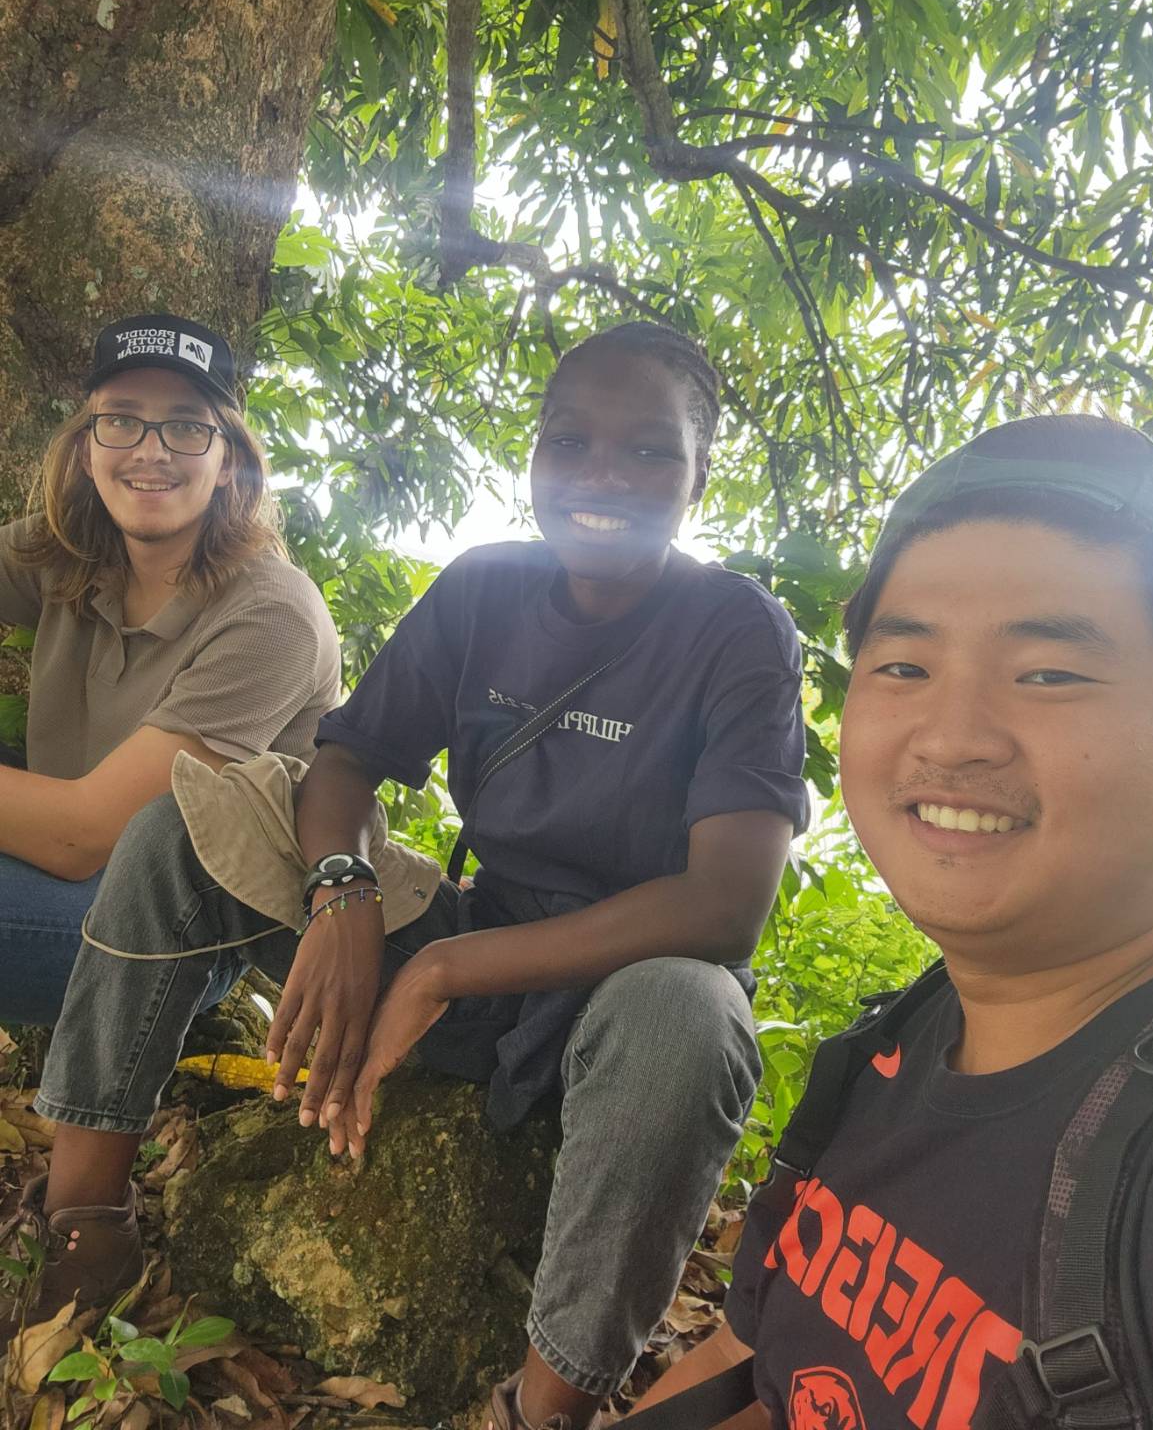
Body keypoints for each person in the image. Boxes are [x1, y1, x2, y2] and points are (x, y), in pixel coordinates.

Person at [2, 321, 809, 1425]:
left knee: (691, 1009)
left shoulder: (737, 630)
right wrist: (343, 886)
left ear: (698, 473)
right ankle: (85, 1223)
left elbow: (725, 905)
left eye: (647, 451)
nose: (600, 476)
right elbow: (344, 760)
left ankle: (545, 1402)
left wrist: (441, 971)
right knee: (185, 818)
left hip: (624, 995)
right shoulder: (486, 590)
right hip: (480, 934)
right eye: (569, 441)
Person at [632, 413, 1153, 1430]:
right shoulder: (887, 1053)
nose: (952, 736)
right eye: (903, 667)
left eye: (1050, 673)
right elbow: (749, 1357)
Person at [0, 314, 341, 1026]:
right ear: (87, 449)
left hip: (174, 928)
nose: (149, 451)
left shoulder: (272, 613)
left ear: (228, 461)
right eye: (121, 420)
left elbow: (81, 835)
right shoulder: (71, 550)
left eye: (186, 426)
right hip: (59, 848)